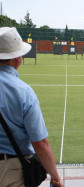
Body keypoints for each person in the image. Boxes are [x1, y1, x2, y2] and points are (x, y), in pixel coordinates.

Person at [0, 27, 64, 187]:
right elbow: (40, 142)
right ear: (18, 58)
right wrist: (55, 178)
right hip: (10, 170)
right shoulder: (23, 91)